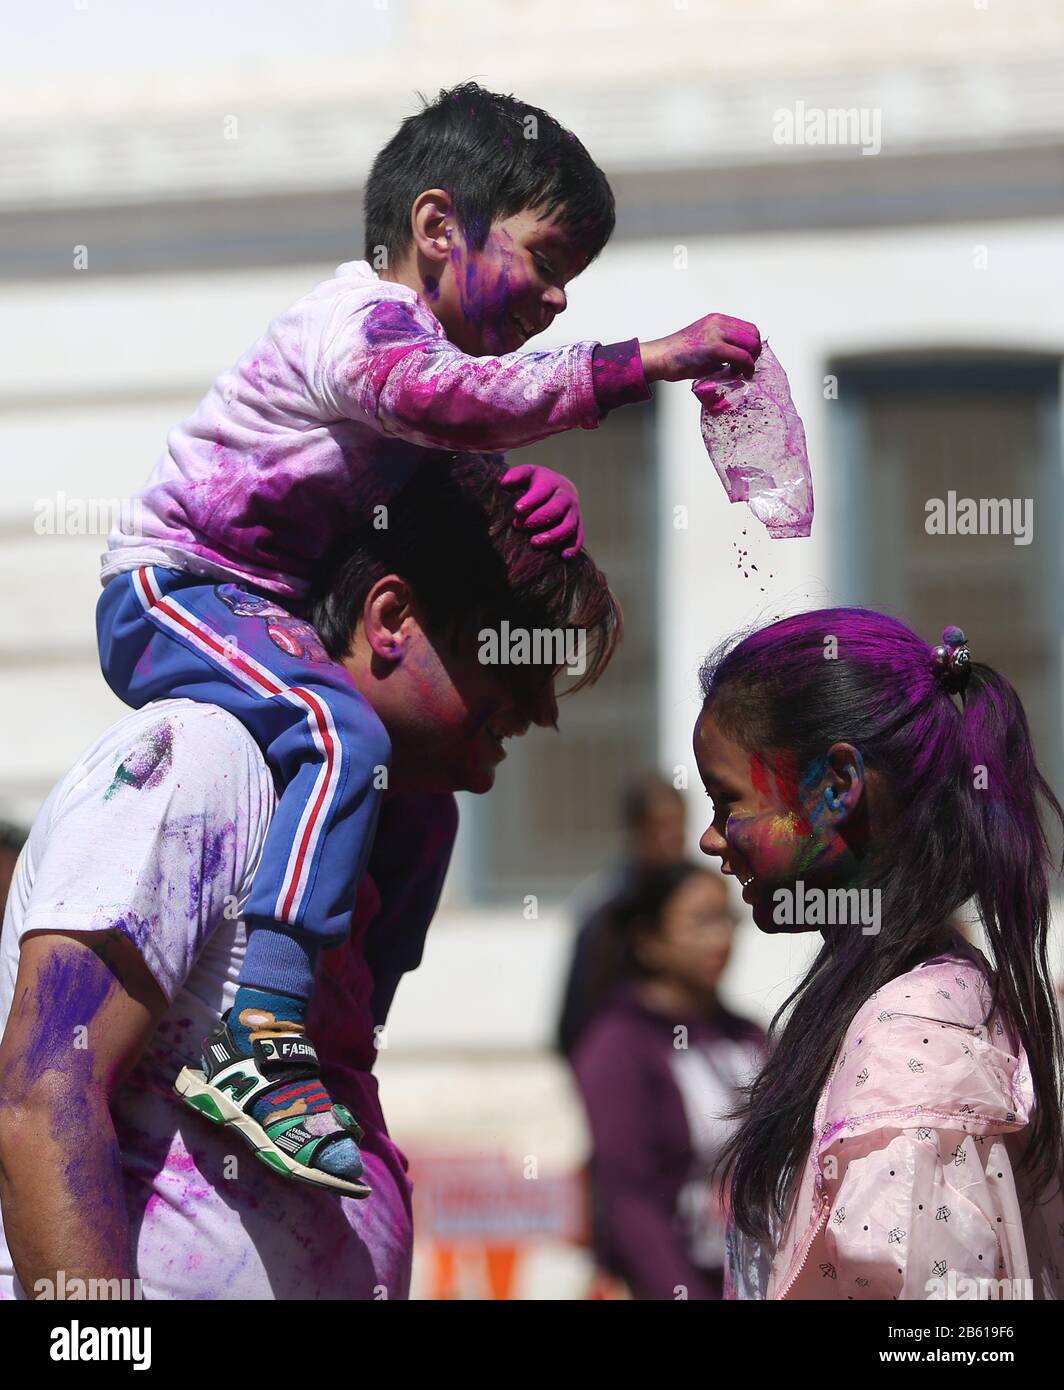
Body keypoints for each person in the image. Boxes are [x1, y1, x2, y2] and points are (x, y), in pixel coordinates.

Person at [95, 78, 761, 1195]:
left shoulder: (421, 378)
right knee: (334, 727)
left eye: (570, 286)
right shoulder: (356, 324)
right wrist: (634, 364)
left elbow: (448, 451)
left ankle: (342, 1048)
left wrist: (527, 501)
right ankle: (258, 1029)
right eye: (546, 263)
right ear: (438, 228)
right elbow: (446, 401)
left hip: (265, 603)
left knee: (419, 807)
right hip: (175, 586)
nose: (554, 300)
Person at [0, 454, 619, 1300]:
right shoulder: (202, 761)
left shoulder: (406, 824)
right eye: (510, 677)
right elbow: (42, 1097)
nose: (537, 713)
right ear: (391, 615)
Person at [693, 610, 1064, 1299]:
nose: (711, 840)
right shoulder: (916, 1005)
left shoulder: (909, 1051)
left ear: (837, 787)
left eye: (727, 801)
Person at [571, 861, 766, 1299]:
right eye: (701, 922)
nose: (721, 937)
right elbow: (629, 1201)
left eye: (727, 919)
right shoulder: (618, 1044)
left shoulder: (749, 1035)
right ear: (648, 940)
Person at [555, 775, 687, 1058]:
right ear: (637, 830)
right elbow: (575, 1022)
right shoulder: (608, 914)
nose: (672, 839)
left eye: (679, 827)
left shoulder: (697, 896)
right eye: (661, 828)